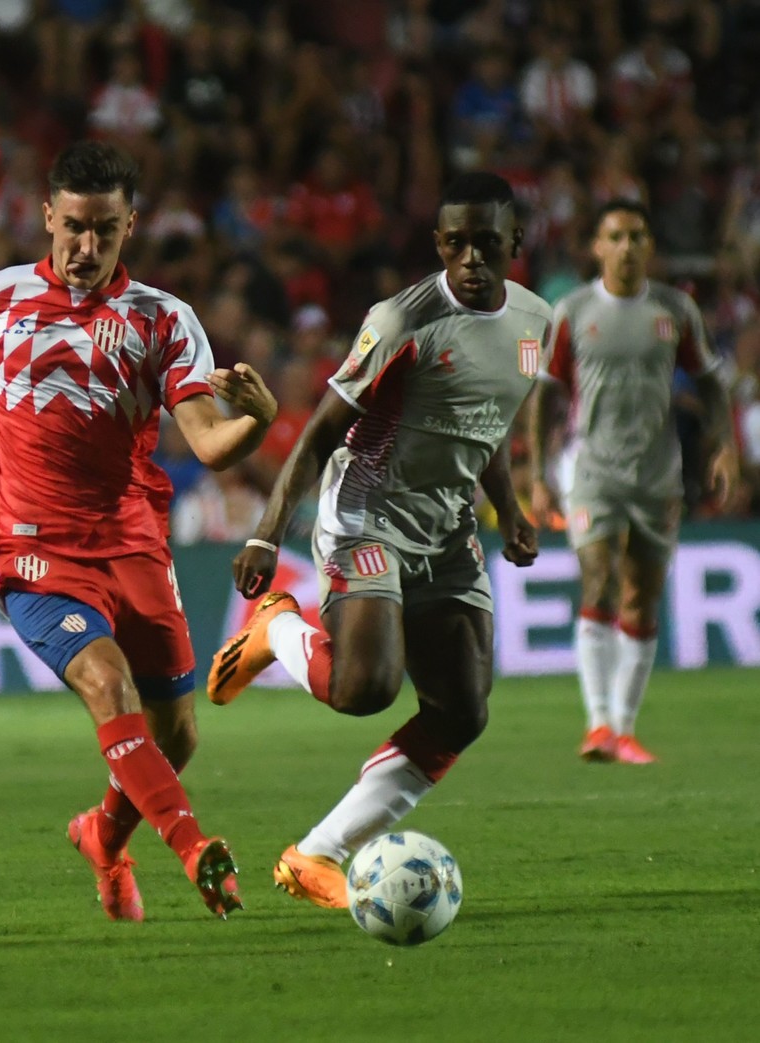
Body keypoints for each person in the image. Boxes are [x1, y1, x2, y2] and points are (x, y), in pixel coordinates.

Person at [0, 141, 277, 922]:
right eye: (74, 228)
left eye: (106, 232)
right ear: (47, 216)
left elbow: (210, 443)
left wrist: (259, 419)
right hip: (34, 550)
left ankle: (104, 838)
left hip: (133, 545)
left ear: (131, 225)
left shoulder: (162, 320)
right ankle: (193, 848)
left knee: (175, 735)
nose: (87, 248)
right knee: (104, 682)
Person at [209, 172, 545, 910]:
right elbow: (322, 430)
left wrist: (510, 509)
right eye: (454, 243)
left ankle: (315, 854)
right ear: (437, 244)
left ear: (514, 243)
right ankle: (279, 629)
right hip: (369, 511)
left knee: (462, 711)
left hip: (447, 524)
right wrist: (267, 535)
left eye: (486, 243)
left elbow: (484, 423)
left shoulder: (533, 321)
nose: (470, 259)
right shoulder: (401, 320)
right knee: (364, 688)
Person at [530, 200, 737, 765]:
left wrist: (723, 447)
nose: (626, 246)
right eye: (615, 236)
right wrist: (537, 475)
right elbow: (546, 390)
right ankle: (597, 724)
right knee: (598, 579)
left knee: (642, 597)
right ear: (597, 247)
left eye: (637, 236)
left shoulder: (675, 310)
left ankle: (623, 729)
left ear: (650, 247)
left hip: (657, 473)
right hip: (592, 469)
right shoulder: (572, 312)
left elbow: (712, 383)